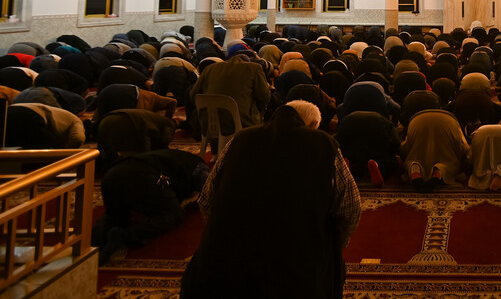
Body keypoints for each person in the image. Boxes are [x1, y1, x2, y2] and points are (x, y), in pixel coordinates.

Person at [181, 100, 360, 299]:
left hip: (221, 272)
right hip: (299, 275)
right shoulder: (324, 144)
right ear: (311, 125)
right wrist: (332, 246)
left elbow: (206, 200)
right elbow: (350, 208)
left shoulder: (239, 140)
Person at [93, 149, 209, 263]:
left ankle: (91, 243)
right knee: (172, 215)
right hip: (143, 177)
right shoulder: (199, 167)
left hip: (110, 176)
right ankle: (126, 235)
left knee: (115, 216)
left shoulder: (175, 158)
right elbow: (209, 187)